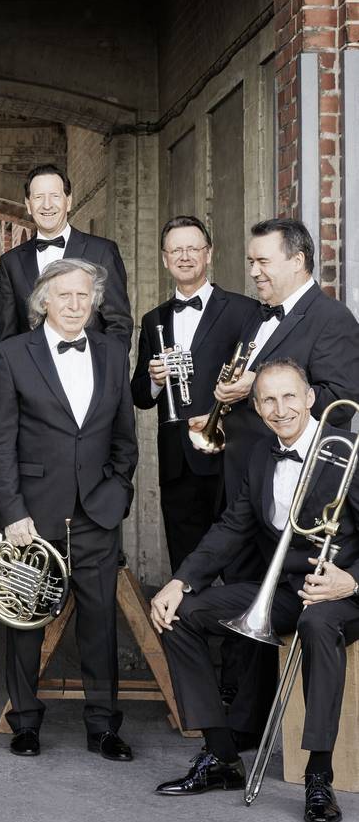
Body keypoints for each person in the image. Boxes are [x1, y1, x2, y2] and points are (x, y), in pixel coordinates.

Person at [151, 359, 359, 822]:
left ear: (310, 398)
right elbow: (232, 527)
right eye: (268, 399)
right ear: (257, 407)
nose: (280, 408)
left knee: (317, 622)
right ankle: (222, 756)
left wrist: (351, 580)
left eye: (289, 396)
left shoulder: (349, 451)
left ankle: (319, 776)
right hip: (286, 587)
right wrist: (180, 581)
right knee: (180, 615)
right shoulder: (261, 455)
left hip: (345, 593)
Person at [0, 258, 138, 761]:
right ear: (44, 299)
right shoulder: (12, 355)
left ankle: (103, 725)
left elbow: (124, 439)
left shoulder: (114, 353)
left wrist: (116, 494)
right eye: (65, 296)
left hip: (97, 512)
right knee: (25, 621)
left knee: (100, 624)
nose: (75, 306)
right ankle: (25, 722)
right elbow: (0, 443)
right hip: (33, 514)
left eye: (84, 297)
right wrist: (12, 512)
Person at [190, 219, 359, 505]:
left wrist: (257, 384)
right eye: (251, 261)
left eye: (263, 261)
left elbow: (340, 403)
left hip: (291, 486)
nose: (254, 272)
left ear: (297, 261)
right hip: (240, 478)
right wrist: (218, 417)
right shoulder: (259, 314)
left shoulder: (333, 319)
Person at [131, 216, 257, 572]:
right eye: (176, 250)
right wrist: (155, 379)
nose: (185, 256)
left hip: (231, 456)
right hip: (178, 462)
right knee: (185, 567)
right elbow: (139, 394)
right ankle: (185, 628)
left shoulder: (244, 310)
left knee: (239, 564)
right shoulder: (153, 319)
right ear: (164, 259)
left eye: (192, 248)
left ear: (209, 254)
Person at [0, 163, 132, 348]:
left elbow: (118, 326)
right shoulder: (11, 262)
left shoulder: (102, 251)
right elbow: (6, 337)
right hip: (30, 375)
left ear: (68, 201)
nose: (47, 205)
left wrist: (108, 373)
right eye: (38, 197)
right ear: (28, 204)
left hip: (89, 372)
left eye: (55, 196)